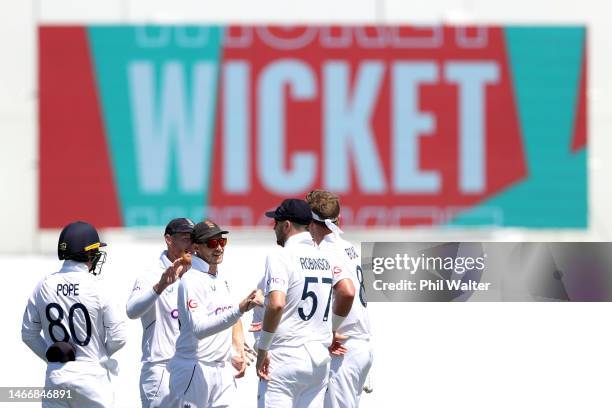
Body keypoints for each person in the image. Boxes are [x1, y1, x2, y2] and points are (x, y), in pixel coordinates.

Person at [255, 199, 355, 408]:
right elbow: (347, 291)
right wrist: (332, 330)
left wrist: (263, 348)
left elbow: (276, 304)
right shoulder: (325, 256)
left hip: (285, 358)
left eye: (276, 223)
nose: (274, 228)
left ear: (287, 225)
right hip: (318, 361)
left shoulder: (280, 255)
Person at [21, 221, 127, 407]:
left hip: (56, 377)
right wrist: (97, 355)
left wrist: (52, 358)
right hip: (91, 378)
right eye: (94, 252)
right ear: (87, 253)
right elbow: (119, 338)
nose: (96, 256)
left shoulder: (44, 285)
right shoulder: (98, 287)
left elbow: (28, 334)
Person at [169, 219, 263, 408]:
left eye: (222, 242)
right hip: (194, 367)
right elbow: (199, 329)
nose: (219, 248)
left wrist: (234, 352)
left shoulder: (221, 278)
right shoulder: (191, 281)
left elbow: (227, 318)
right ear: (196, 247)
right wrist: (241, 309)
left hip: (221, 369)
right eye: (212, 243)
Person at [306, 190, 374, 408]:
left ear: (311, 221)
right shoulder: (347, 246)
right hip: (359, 343)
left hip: (343, 348)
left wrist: (330, 331)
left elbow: (347, 292)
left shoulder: (326, 250)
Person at [126, 217, 195, 407]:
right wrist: (160, 286)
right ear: (168, 239)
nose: (190, 244)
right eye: (184, 238)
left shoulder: (199, 275)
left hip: (193, 367)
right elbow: (131, 311)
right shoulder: (150, 275)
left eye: (193, 238)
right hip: (162, 369)